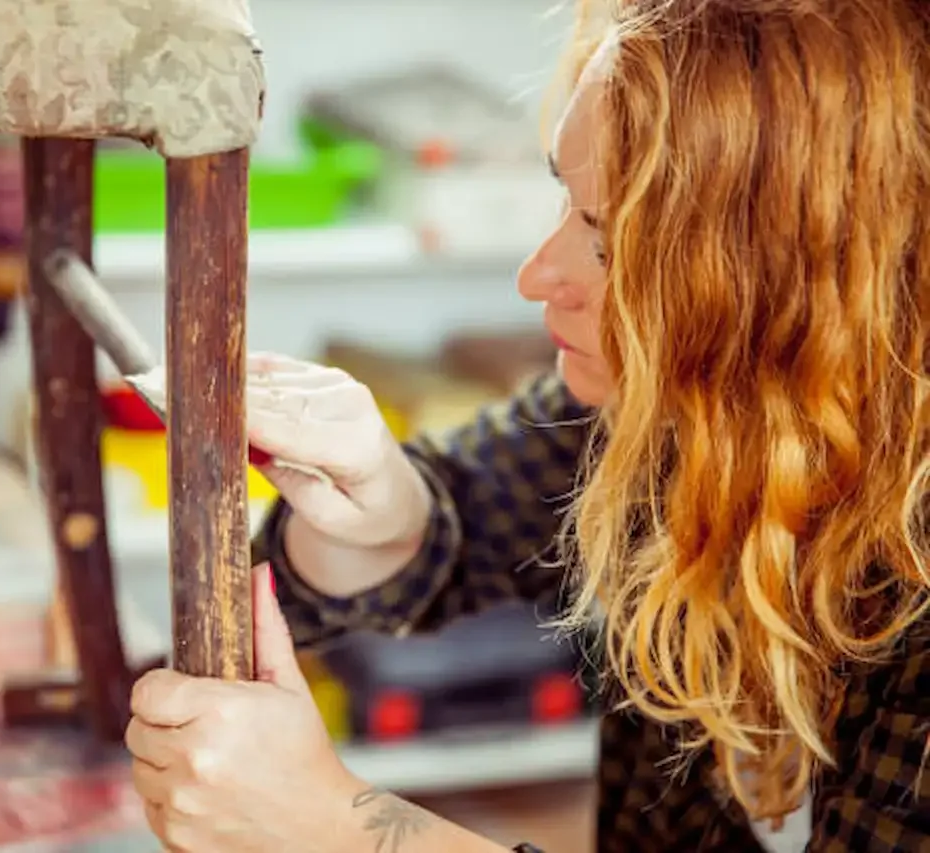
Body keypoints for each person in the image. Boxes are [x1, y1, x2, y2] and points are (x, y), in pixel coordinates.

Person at [124, 1, 930, 850]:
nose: (536, 275)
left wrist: (335, 823)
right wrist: (387, 506)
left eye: (614, 243)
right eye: (569, 202)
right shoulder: (658, 415)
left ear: (809, 289)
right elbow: (461, 508)